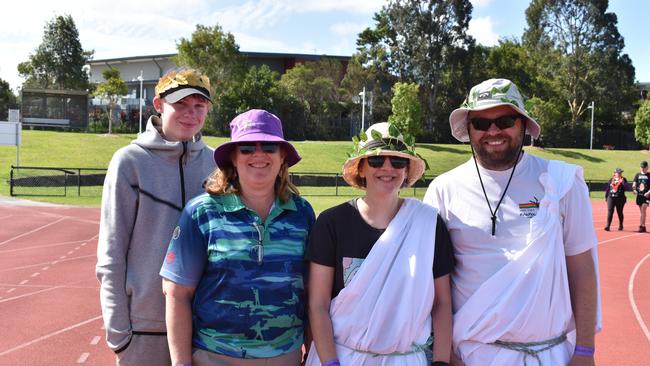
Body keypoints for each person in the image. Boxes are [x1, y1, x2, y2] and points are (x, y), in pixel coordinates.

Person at [423, 78, 600, 366]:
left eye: (505, 120)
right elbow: (431, 283)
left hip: (549, 355)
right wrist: (446, 356)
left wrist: (584, 351)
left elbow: (581, 269)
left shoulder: (561, 183)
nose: (493, 131)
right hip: (471, 355)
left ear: (523, 125)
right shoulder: (444, 189)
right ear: (468, 129)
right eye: (480, 122)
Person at [160, 109, 315, 366]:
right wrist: (181, 363)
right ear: (233, 157)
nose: (258, 154)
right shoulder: (201, 212)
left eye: (269, 146)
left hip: (284, 358)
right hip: (215, 357)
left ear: (282, 157)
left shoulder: (302, 214)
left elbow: (313, 294)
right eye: (246, 148)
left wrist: (314, 355)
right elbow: (177, 293)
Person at [306, 122, 454, 366]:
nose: (388, 168)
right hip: (342, 357)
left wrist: (440, 362)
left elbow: (442, 302)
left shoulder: (428, 224)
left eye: (397, 162)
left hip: (405, 360)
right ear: (361, 169)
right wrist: (330, 363)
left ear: (406, 171)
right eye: (377, 161)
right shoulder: (332, 223)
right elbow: (318, 305)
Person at [96, 67, 216, 365]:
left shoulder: (217, 163)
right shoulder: (129, 161)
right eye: (181, 104)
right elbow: (111, 251)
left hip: (207, 329)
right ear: (159, 105)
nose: (190, 113)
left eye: (198, 106)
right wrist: (119, 333)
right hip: (144, 329)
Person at [632, 160, 649, 232]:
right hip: (639, 196)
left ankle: (641, 226)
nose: (642, 169)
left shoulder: (649, 175)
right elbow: (634, 184)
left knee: (643, 209)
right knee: (642, 212)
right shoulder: (637, 175)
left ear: (647, 167)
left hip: (646, 196)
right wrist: (634, 190)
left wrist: (648, 192)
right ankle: (643, 225)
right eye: (641, 167)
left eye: (644, 167)